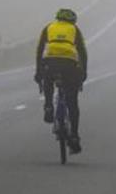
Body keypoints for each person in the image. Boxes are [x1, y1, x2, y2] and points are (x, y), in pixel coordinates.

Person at [35, 8, 88, 154]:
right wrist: (83, 73)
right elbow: (82, 52)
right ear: (72, 20)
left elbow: (39, 50)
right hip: (69, 64)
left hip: (50, 61)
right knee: (72, 102)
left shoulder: (49, 27)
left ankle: (48, 106)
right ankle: (74, 136)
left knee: (48, 81)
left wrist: (38, 72)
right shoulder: (74, 29)